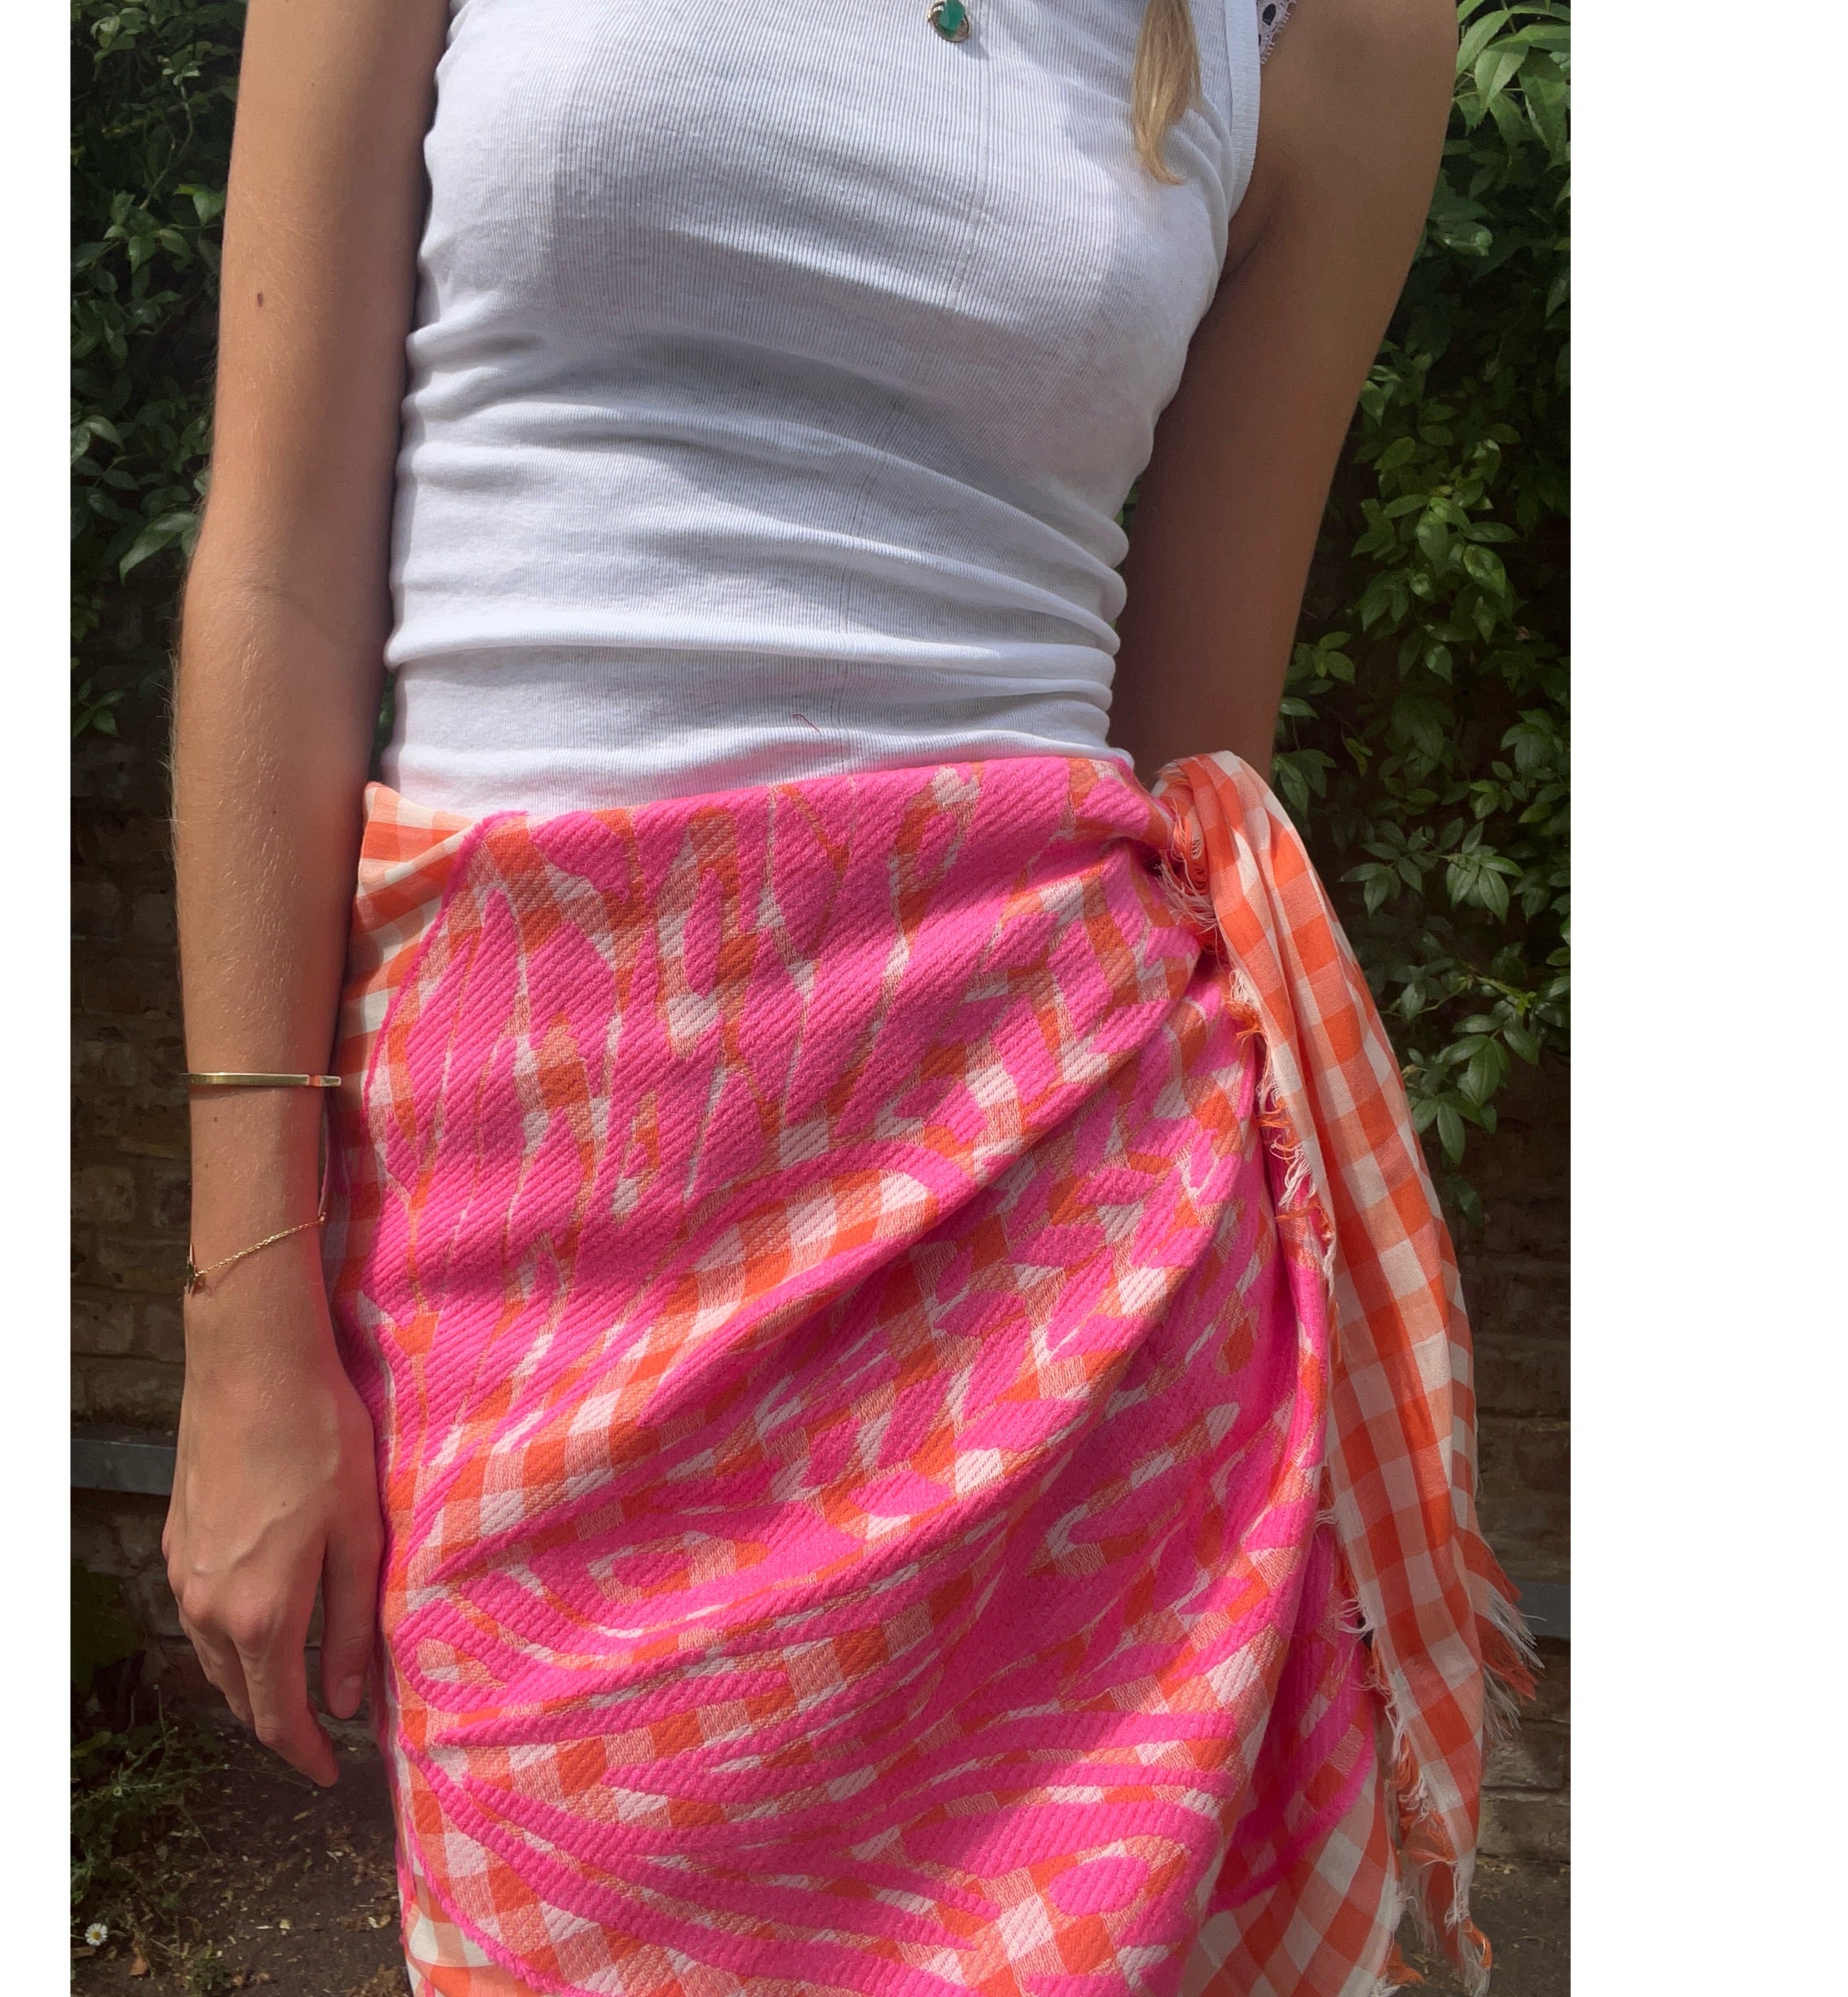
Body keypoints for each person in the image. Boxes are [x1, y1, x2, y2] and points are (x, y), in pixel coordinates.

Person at [163, 0, 1530, 1990]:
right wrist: (246, 1315)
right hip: (527, 1237)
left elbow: (1188, 752)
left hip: (1063, 1251)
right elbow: (276, 571)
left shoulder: (1341, 29)